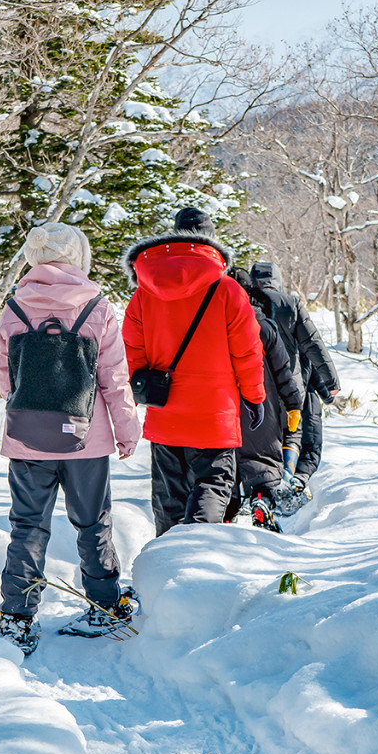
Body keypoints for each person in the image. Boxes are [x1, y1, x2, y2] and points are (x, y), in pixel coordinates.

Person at [0, 222, 141, 656]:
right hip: (86, 439)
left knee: (28, 525)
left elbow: (4, 373)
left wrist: (29, 407)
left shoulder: (15, 306)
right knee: (93, 522)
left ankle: (17, 616)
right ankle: (105, 605)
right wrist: (127, 430)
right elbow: (113, 377)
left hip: (27, 438)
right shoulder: (97, 306)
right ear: (78, 255)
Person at [123, 207, 265, 533]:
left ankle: (166, 570)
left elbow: (131, 353)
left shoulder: (144, 293)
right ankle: (198, 556)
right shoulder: (228, 290)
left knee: (169, 499)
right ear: (209, 240)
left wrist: (135, 396)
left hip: (165, 414)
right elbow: (247, 352)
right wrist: (254, 397)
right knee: (213, 485)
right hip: (215, 413)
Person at [245, 260, 339, 483]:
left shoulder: (244, 304)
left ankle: (263, 485)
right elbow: (313, 344)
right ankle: (287, 478)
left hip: (256, 382)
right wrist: (331, 380)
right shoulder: (291, 303)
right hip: (291, 383)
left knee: (260, 434)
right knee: (293, 433)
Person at [227, 268, 305, 530]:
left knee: (225, 466)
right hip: (262, 406)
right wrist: (293, 404)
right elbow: (284, 372)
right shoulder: (264, 325)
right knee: (261, 462)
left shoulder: (213, 326)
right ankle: (261, 499)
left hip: (223, 407)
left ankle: (226, 513)